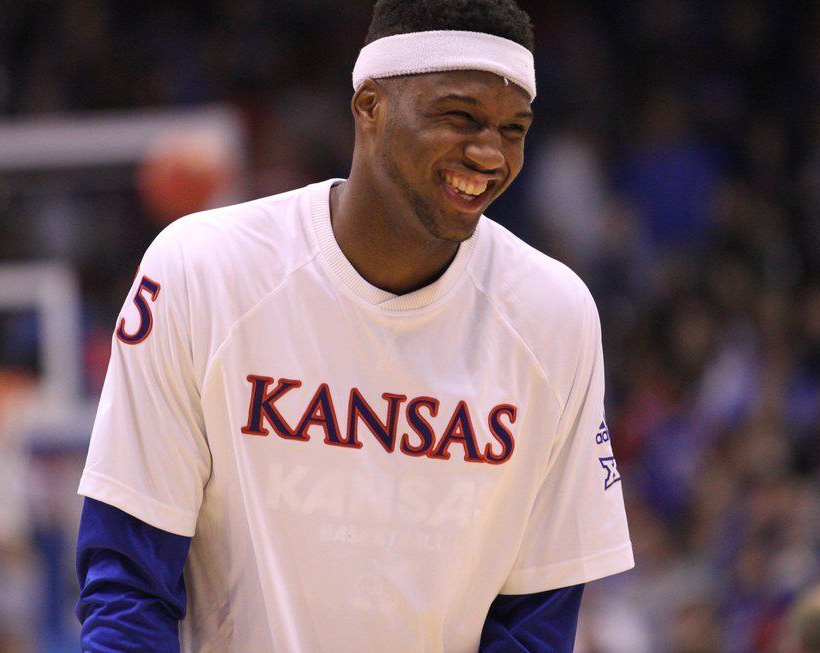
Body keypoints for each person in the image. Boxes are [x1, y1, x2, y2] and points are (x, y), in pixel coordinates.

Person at [76, 1, 634, 650]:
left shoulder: (555, 317)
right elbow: (129, 582)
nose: (489, 153)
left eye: (513, 129)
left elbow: (535, 619)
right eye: (460, 117)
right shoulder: (202, 271)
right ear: (370, 105)